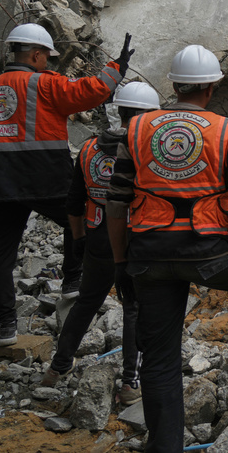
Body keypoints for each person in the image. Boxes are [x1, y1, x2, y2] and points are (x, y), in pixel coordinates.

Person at [106, 44, 228, 453]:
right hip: (208, 254)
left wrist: (122, 262)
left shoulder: (135, 130)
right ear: (210, 88)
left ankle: (165, 446)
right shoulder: (227, 131)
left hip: (149, 257)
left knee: (159, 358)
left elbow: (116, 204)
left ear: (174, 85)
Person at [0, 24, 132, 347]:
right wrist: (117, 68)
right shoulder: (45, 85)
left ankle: (6, 327)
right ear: (36, 55)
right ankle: (71, 280)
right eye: (47, 58)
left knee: (0, 253)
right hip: (44, 176)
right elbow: (89, 91)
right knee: (76, 216)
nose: (48, 64)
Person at [40, 81, 161, 404]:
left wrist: (78, 240)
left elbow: (73, 202)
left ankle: (57, 367)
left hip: (97, 237)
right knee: (133, 308)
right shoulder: (146, 149)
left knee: (87, 302)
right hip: (135, 239)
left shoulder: (90, 148)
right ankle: (130, 384)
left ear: (119, 111)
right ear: (148, 115)